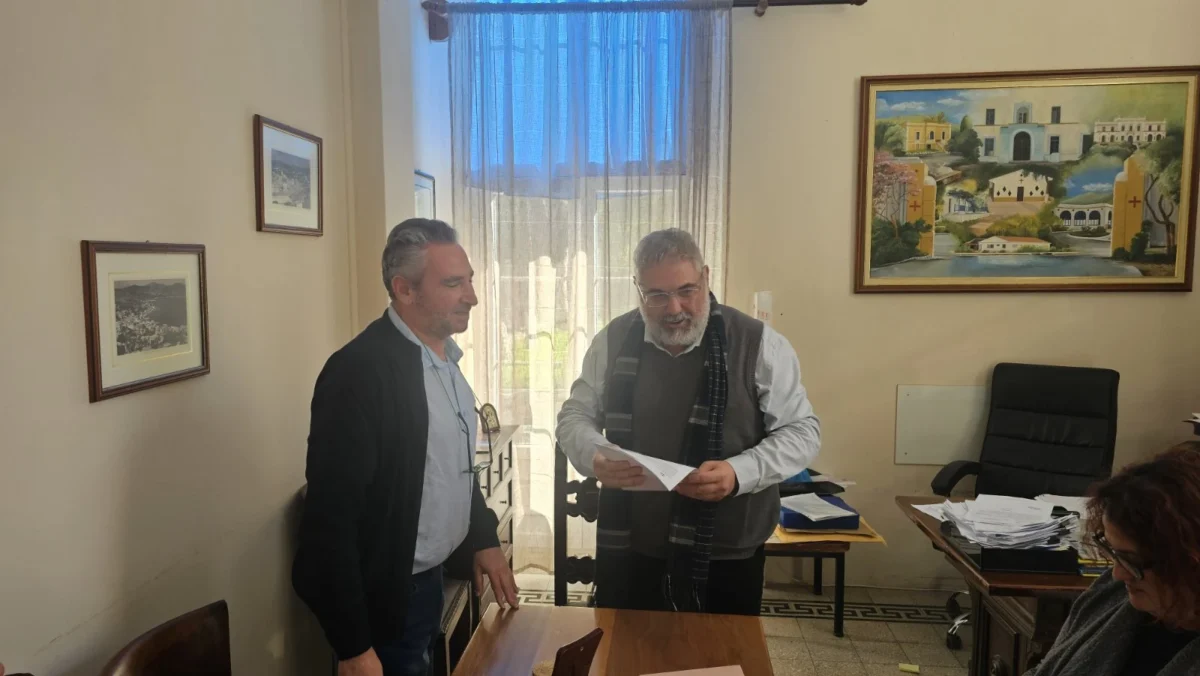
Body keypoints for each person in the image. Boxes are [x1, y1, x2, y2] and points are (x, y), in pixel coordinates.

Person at [293, 219, 519, 676]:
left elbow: (453, 469)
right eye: (453, 284)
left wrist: (482, 536)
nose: (472, 296)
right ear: (404, 289)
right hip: (389, 600)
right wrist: (353, 647)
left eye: (470, 280)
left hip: (431, 579)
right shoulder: (359, 374)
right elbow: (328, 524)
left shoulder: (443, 358)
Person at [556, 228, 821, 616]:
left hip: (728, 554)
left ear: (706, 277)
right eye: (657, 295)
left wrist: (739, 472)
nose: (674, 308)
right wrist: (594, 455)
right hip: (630, 547)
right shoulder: (612, 340)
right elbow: (574, 415)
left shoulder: (759, 343)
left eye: (686, 290)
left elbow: (802, 431)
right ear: (638, 290)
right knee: (626, 649)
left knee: (721, 652)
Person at [1027, 442, 1200, 676]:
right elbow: (1047, 669)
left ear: (1191, 561)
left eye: (1132, 560)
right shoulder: (1112, 594)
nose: (1117, 573)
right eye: (1113, 550)